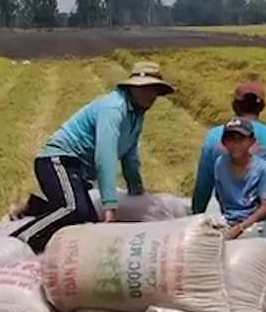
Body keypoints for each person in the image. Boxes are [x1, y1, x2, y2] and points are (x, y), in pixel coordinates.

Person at [12, 60, 173, 251]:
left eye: (155, 90)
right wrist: (109, 206)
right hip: (59, 161)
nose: (151, 95)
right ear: (133, 88)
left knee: (86, 220)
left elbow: (130, 157)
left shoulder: (136, 116)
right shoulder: (114, 109)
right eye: (146, 89)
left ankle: (34, 207)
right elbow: (105, 156)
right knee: (73, 209)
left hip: (77, 171)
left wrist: (137, 190)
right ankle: (18, 240)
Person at [190, 77, 266, 214]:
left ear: (234, 105)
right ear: (262, 106)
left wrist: (196, 216)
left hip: (230, 217)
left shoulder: (214, 137)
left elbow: (203, 186)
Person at [212, 118, 266, 239]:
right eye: (230, 139)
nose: (235, 144)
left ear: (252, 141)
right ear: (224, 142)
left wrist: (241, 227)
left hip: (254, 222)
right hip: (229, 219)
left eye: (240, 139)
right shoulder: (220, 163)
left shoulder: (263, 168)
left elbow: (265, 207)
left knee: (244, 239)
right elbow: (220, 196)